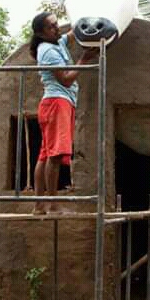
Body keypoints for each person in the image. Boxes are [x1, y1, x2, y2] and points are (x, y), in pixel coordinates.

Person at [29, 12, 97, 214]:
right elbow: (66, 79)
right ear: (41, 33)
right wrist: (83, 60)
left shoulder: (56, 42)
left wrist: (86, 18)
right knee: (55, 156)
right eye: (51, 26)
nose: (57, 28)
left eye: (56, 24)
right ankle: (53, 205)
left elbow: (72, 34)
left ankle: (39, 206)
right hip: (57, 103)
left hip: (56, 103)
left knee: (45, 155)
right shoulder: (48, 51)